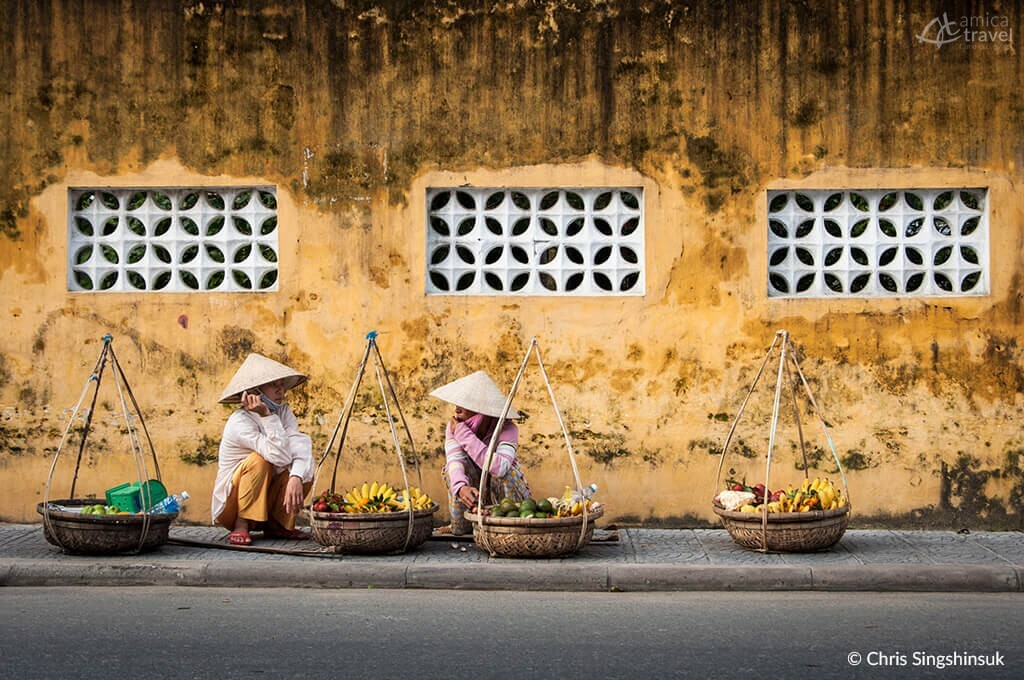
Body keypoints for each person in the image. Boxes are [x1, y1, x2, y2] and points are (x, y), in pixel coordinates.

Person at [211, 353, 314, 545]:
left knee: (304, 470)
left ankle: (277, 525)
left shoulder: (283, 412)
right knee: (260, 460)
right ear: (254, 391)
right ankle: (241, 524)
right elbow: (281, 456)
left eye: (281, 384)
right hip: (232, 506)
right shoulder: (239, 421)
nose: (280, 390)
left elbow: (301, 447)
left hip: (265, 498)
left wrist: (296, 477)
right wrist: (266, 416)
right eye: (274, 385)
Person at [429, 370, 531, 535]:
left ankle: (507, 524)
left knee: (506, 470)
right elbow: (455, 460)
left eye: (465, 404)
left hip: (507, 504)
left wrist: (463, 434)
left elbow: (500, 468)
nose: (457, 410)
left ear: (481, 408)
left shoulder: (507, 428)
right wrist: (461, 487)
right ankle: (465, 522)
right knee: (450, 471)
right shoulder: (453, 426)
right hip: (475, 493)